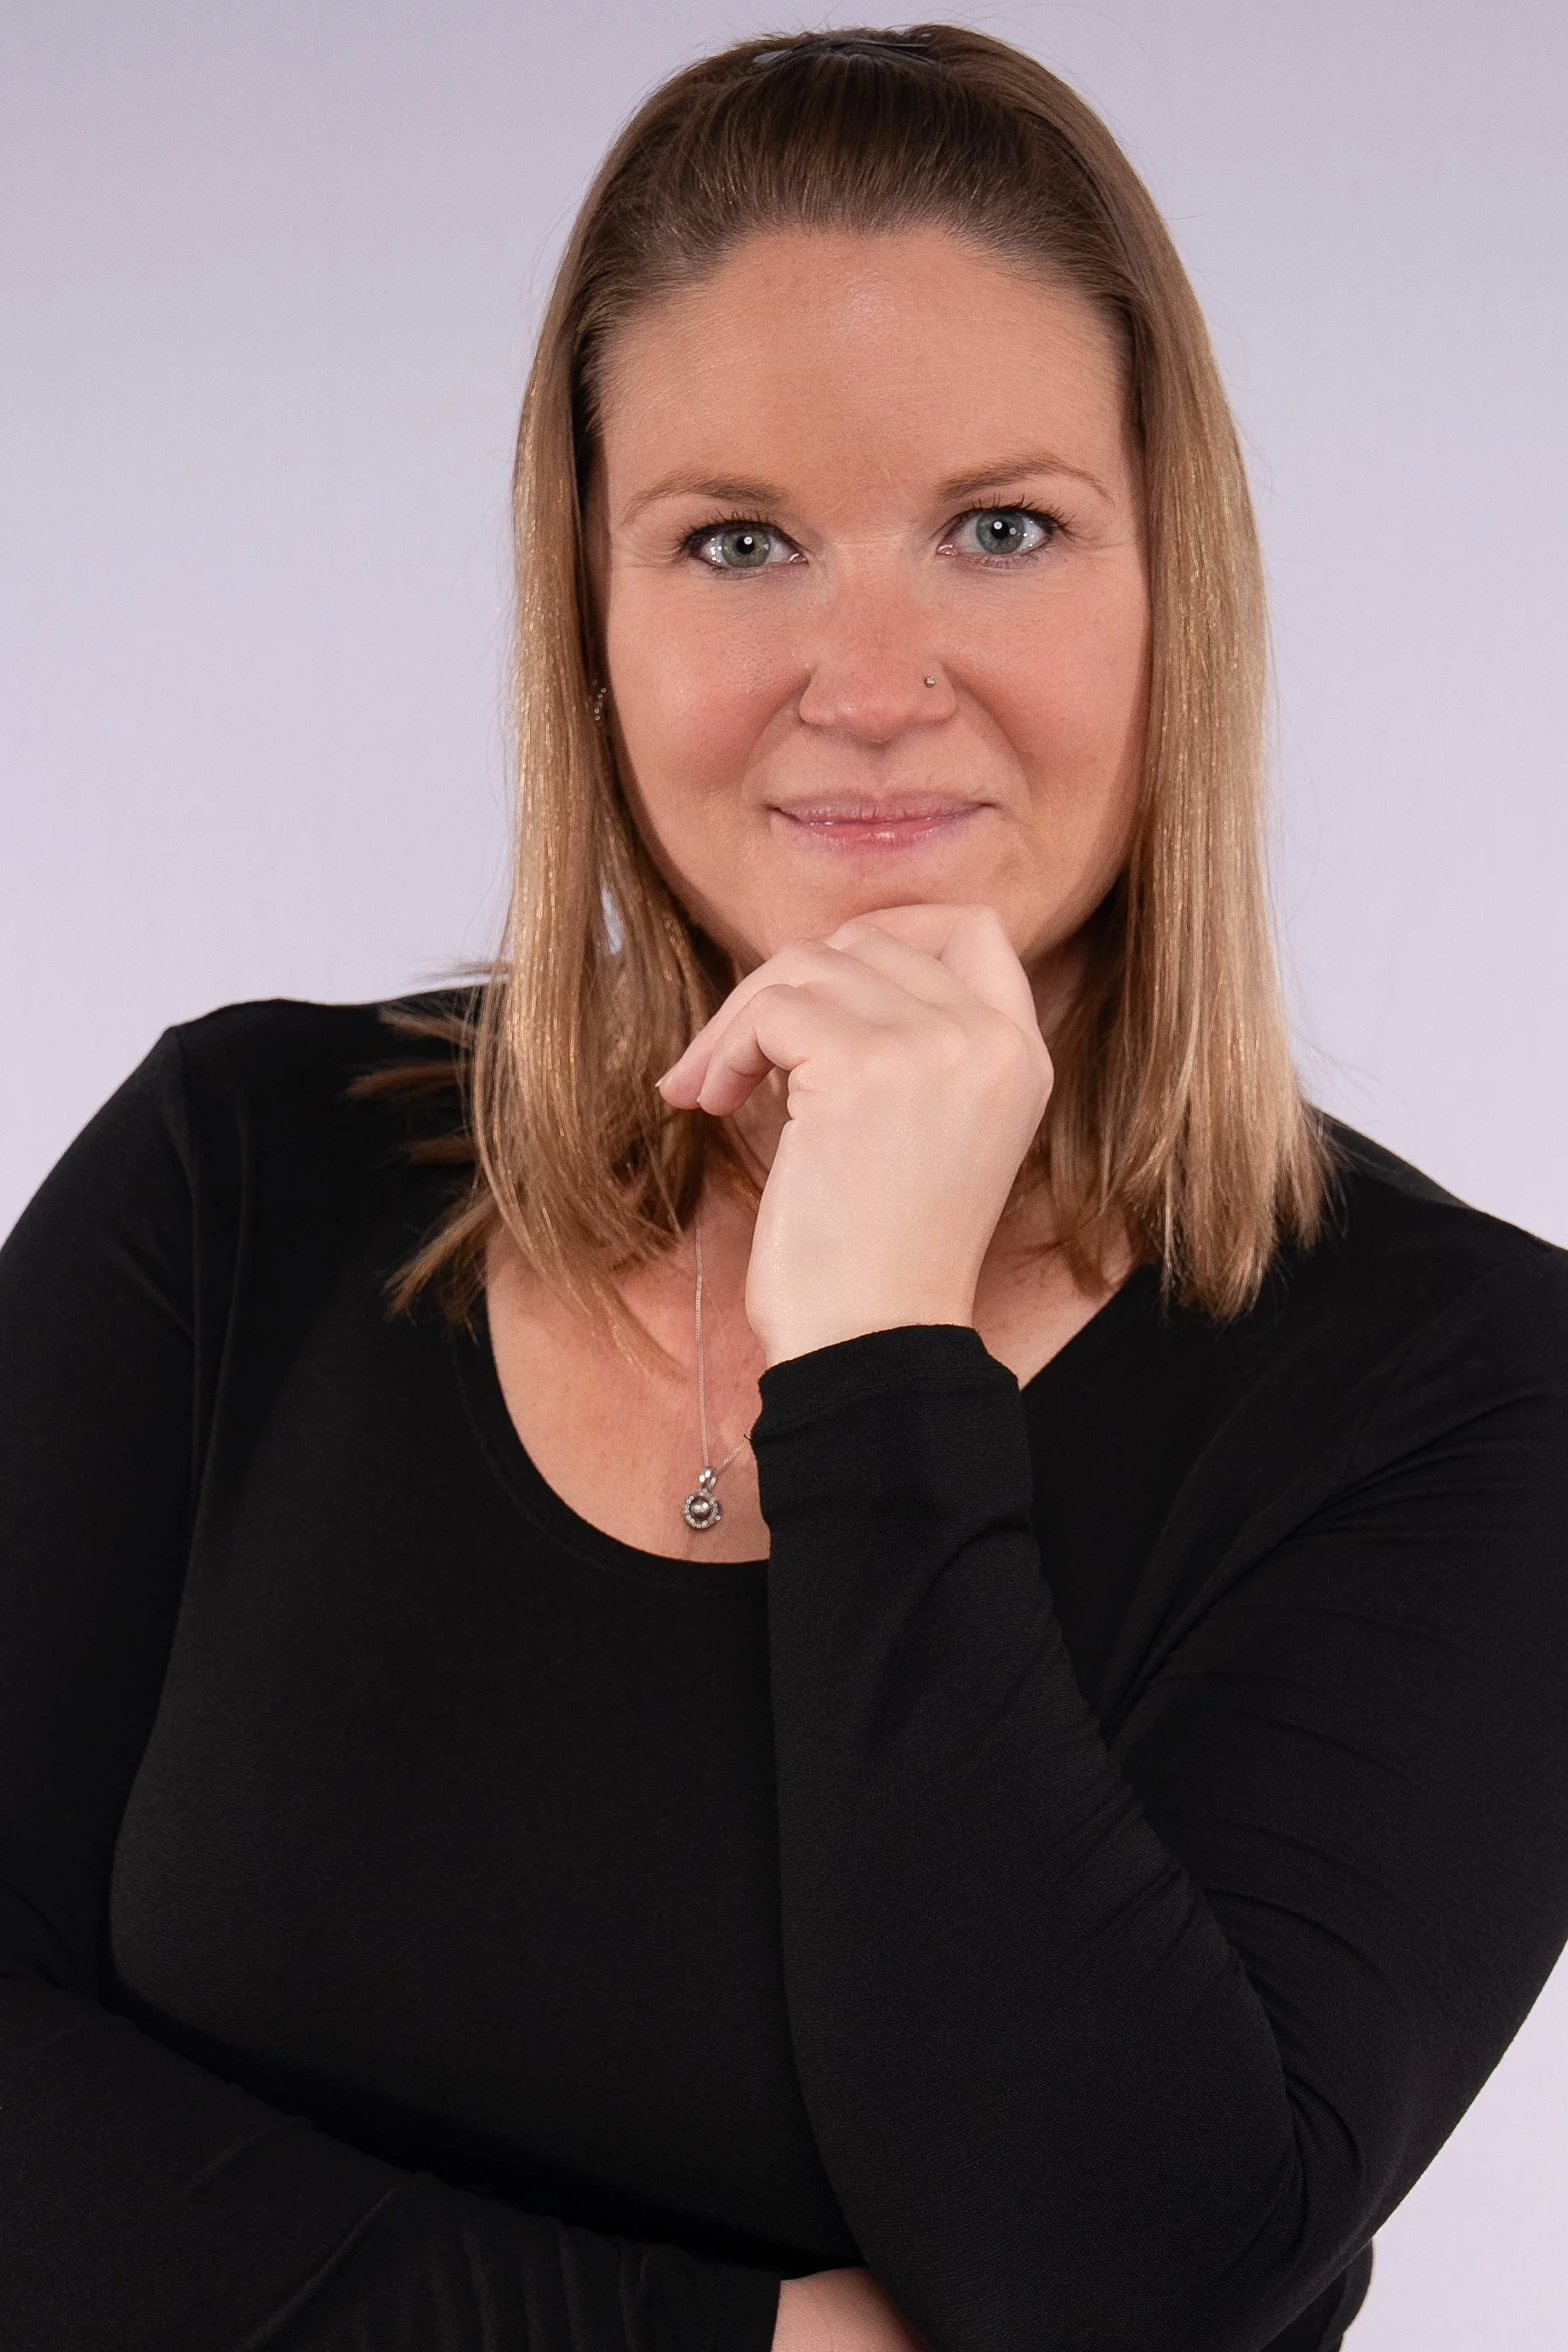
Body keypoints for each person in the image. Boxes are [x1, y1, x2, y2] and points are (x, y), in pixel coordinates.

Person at [1, 24, 1565, 2352]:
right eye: (737, 541)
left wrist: (876, 1345)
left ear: (1178, 593)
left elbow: (1124, 2283)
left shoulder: (1466, 1395)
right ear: (593, 619)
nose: (868, 679)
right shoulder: (243, 1180)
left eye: (1001, 527)